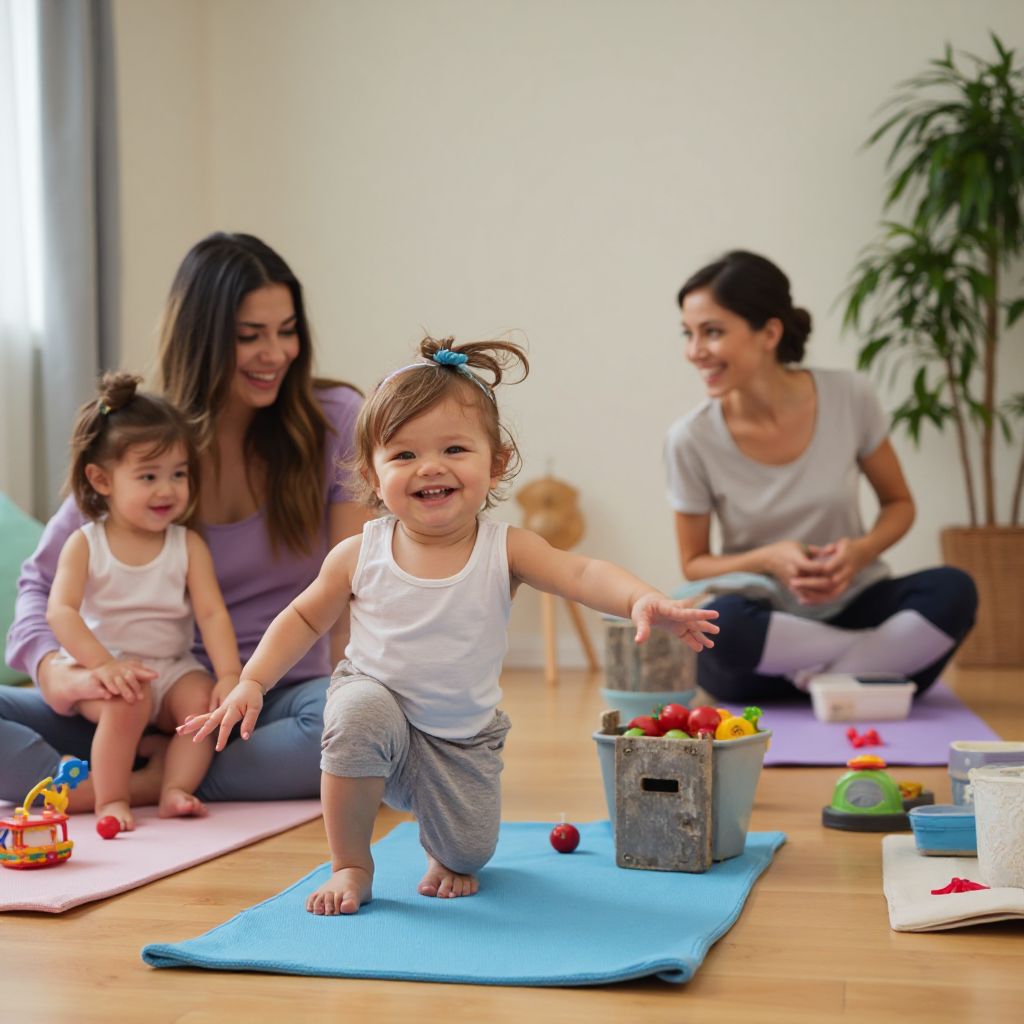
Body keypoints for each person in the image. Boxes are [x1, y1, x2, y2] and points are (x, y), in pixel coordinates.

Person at [180, 337, 720, 916]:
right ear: (372, 472)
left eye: (454, 448)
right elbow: (304, 616)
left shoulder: (506, 548)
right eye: (404, 455)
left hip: (460, 739)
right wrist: (252, 681)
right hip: (376, 709)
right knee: (356, 709)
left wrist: (642, 597)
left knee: (469, 853)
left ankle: (444, 848)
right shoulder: (359, 552)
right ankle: (351, 864)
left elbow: (581, 572)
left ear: (496, 463)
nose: (430, 467)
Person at [2, 232, 366, 808]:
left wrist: (359, 694)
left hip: (271, 703)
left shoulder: (335, 421)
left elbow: (358, 588)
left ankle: (129, 784)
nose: (276, 354)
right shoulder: (144, 443)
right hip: (127, 700)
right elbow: (39, 588)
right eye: (250, 337)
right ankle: (142, 774)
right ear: (201, 339)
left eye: (287, 330)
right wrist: (58, 674)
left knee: (355, 724)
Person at [664, 250, 978, 704]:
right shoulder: (689, 438)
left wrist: (860, 551)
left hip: (855, 603)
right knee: (722, 627)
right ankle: (870, 670)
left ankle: (828, 674)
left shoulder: (850, 396)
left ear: (770, 331)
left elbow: (899, 504)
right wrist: (770, 559)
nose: (695, 352)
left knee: (955, 589)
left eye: (712, 332)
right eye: (688, 333)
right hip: (764, 619)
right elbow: (694, 564)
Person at [46, 372, 240, 829]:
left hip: (171, 666)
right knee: (127, 702)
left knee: (201, 704)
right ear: (101, 479)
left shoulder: (186, 544)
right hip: (109, 664)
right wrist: (101, 666)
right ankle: (112, 799)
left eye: (178, 474)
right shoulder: (86, 543)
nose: (167, 489)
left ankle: (174, 788)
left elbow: (212, 614)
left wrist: (230, 673)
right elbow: (61, 612)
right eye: (149, 476)